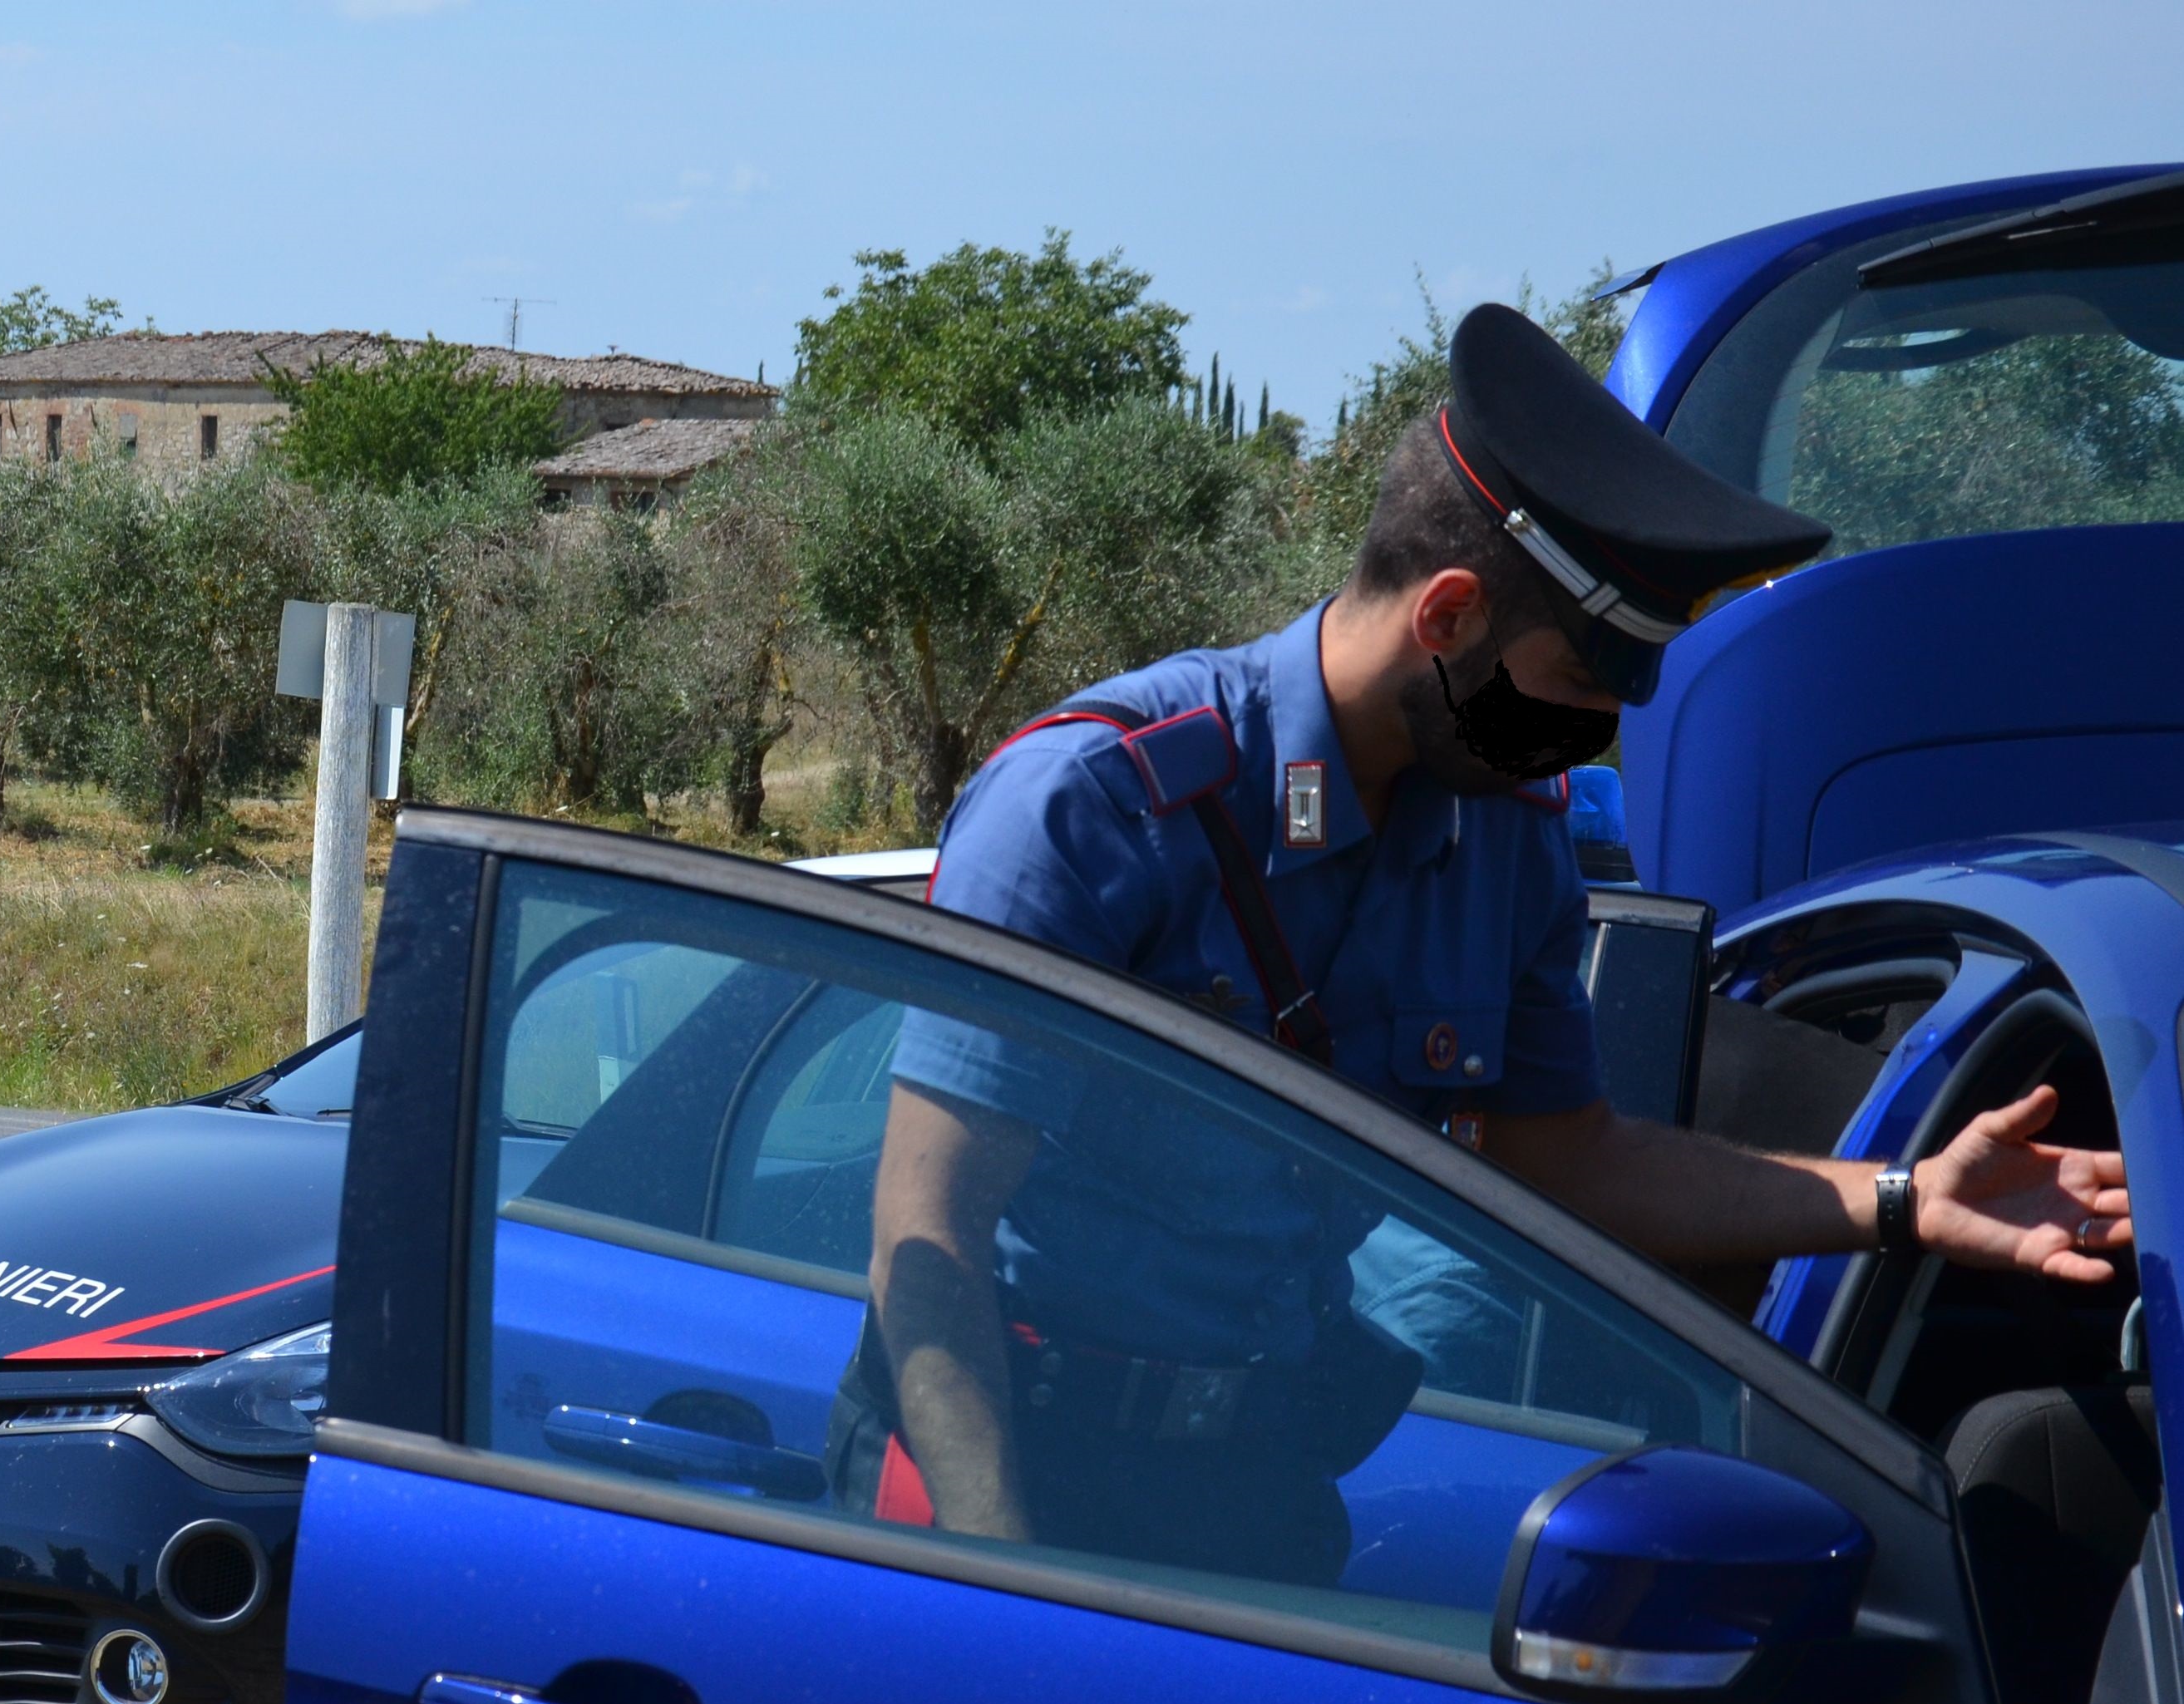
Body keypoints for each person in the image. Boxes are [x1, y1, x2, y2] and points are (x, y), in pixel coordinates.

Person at [850, 303, 2131, 1570]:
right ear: (1447, 615)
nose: (1591, 736)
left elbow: (1573, 1160)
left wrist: (1902, 1196)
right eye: (1576, 686)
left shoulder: (1501, 834)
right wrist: (1002, 1578)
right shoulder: (1097, 805)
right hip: (1011, 1475)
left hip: (1255, 1487)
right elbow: (929, 1233)